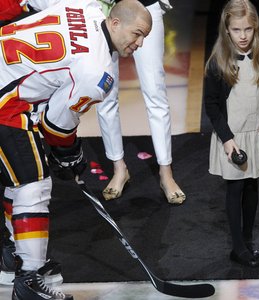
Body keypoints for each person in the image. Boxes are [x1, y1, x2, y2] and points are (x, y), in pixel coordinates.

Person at [0, 0, 152, 299]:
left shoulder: (85, 4)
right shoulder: (97, 73)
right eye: (137, 33)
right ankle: (30, 277)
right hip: (6, 104)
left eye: (144, 36)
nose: (140, 42)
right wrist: (70, 155)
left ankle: (14, 258)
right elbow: (56, 123)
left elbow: (22, 1)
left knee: (16, 180)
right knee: (34, 185)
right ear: (116, 23)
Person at [203, 0, 259, 268]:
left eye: (248, 29)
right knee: (235, 188)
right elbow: (211, 105)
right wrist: (227, 138)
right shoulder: (218, 62)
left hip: (255, 133)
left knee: (252, 184)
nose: (243, 36)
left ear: (255, 28)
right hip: (232, 136)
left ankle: (247, 241)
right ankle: (237, 248)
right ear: (227, 30)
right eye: (236, 30)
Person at [96, 0, 186, 204]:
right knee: (105, 92)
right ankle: (119, 169)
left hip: (144, 8)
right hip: (105, 10)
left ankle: (166, 172)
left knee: (155, 92)